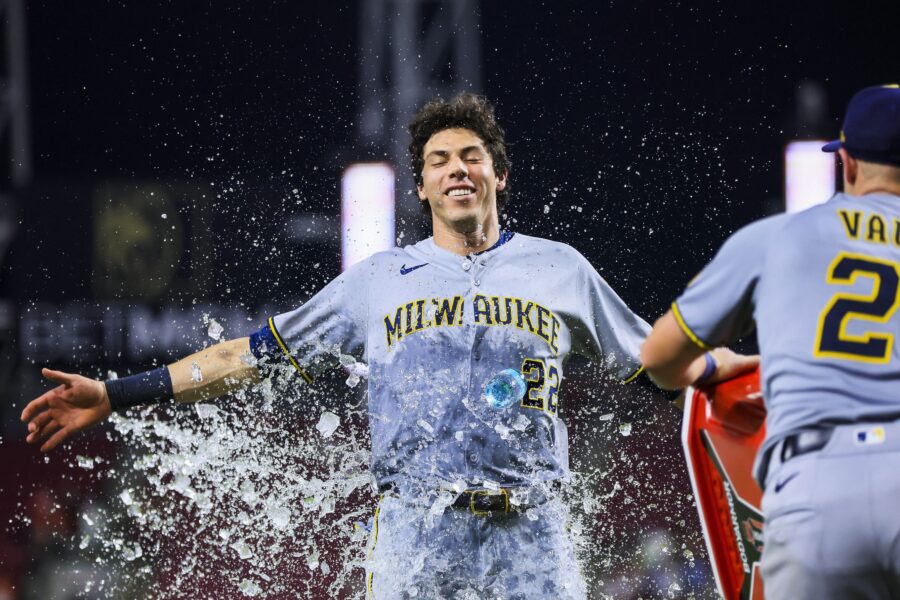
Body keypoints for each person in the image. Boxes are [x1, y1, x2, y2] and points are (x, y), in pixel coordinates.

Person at [22, 93, 747, 599]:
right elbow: (244, 356)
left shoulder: (562, 268)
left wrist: (728, 372)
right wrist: (117, 394)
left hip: (533, 531)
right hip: (415, 529)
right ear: (423, 187)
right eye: (439, 160)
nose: (457, 168)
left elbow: (653, 358)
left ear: (500, 174)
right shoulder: (376, 281)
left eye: (471, 156)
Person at [641, 84, 900, 599]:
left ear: (846, 163)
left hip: (814, 487)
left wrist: (716, 367)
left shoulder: (777, 236)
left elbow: (658, 358)